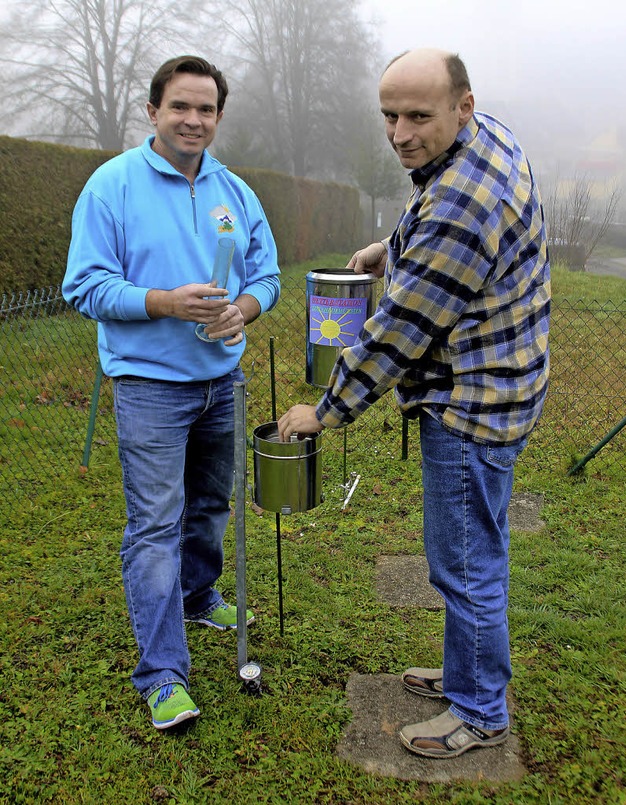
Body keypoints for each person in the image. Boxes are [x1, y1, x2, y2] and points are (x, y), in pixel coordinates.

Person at [277, 48, 550, 759]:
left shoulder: (462, 205)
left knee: (464, 564)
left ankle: (482, 709)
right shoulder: (486, 137)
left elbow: (398, 330)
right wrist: (392, 244)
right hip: (508, 382)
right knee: (472, 553)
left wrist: (325, 410)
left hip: (471, 406)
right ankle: (467, 673)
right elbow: (432, 217)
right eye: (389, 115)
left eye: (417, 115)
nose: (400, 133)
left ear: (461, 105)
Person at [63, 55, 280, 730]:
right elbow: (85, 286)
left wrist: (242, 309)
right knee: (155, 526)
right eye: (180, 107)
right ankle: (161, 675)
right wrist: (162, 301)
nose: (193, 120)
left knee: (210, 505)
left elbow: (266, 275)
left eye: (206, 109)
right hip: (150, 387)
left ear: (218, 116)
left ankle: (198, 592)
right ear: (152, 111)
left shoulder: (234, 192)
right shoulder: (111, 187)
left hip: (223, 381)